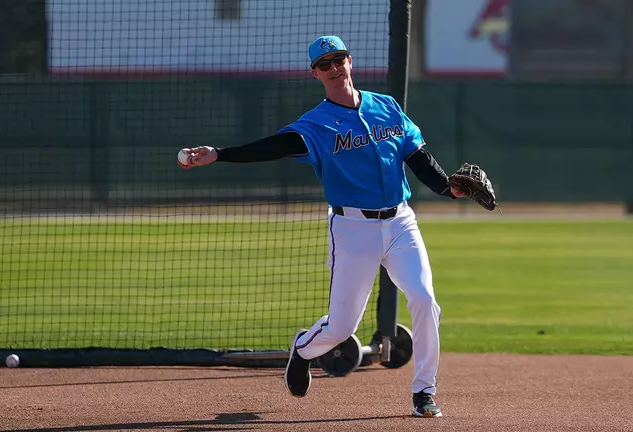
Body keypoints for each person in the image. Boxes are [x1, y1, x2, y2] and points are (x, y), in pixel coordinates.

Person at [178, 35, 482, 418]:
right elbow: (272, 147)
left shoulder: (386, 106)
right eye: (325, 64)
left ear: (350, 62)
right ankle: (303, 349)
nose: (334, 67)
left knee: (424, 300)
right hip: (353, 230)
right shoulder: (315, 124)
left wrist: (447, 189)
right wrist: (220, 154)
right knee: (340, 328)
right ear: (316, 74)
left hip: (401, 222)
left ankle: (424, 391)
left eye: (339, 59)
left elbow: (417, 156)